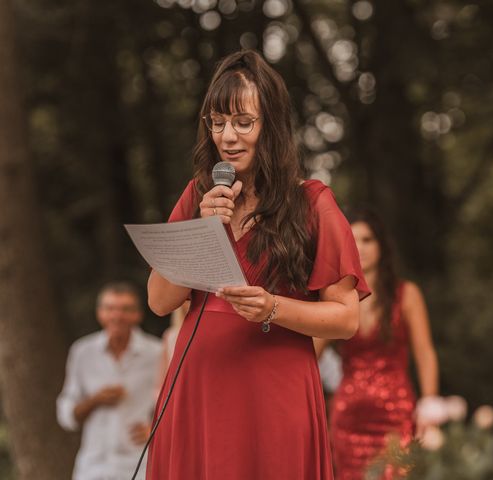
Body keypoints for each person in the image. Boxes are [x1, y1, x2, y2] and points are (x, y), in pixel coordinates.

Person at [145, 49, 369, 480]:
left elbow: (346, 318)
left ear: (273, 126)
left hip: (275, 384)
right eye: (217, 122)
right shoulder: (197, 196)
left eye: (243, 123)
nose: (228, 136)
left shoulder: (313, 203)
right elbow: (158, 301)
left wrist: (272, 308)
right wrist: (199, 230)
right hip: (199, 386)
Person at [314, 208, 439, 480]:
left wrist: (429, 407)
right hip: (348, 419)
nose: (360, 247)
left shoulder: (406, 294)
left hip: (396, 416)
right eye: (353, 240)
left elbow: (425, 353)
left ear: (382, 245)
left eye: (368, 239)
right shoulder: (337, 297)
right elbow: (312, 353)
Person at [56, 282, 162, 480]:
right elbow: (66, 413)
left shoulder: (156, 352)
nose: (117, 316)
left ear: (138, 315)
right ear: (100, 313)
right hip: (92, 467)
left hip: (139, 465)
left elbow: (173, 404)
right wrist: (94, 400)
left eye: (125, 309)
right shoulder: (82, 351)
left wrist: (156, 430)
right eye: (110, 308)